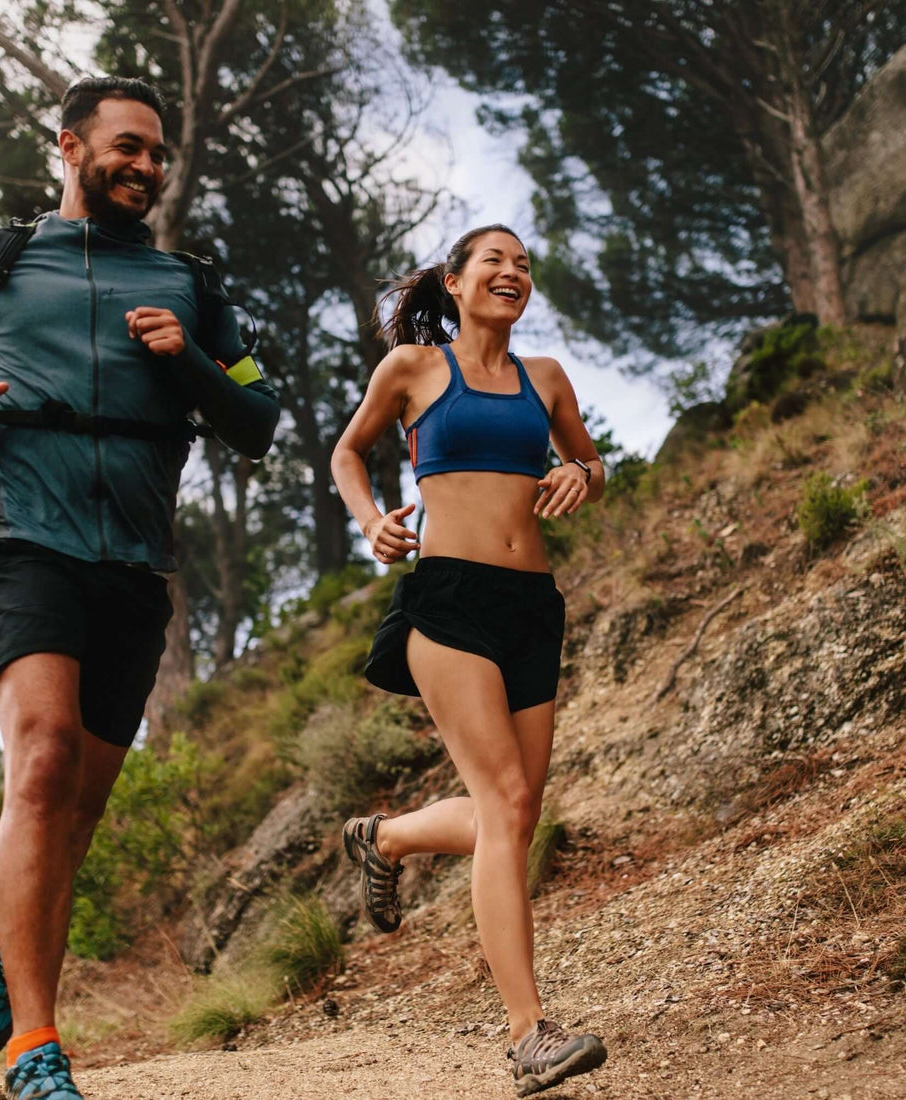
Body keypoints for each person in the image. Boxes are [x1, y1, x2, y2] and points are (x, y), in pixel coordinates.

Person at [0, 76, 279, 1100]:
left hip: (136, 557)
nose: (145, 165)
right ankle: (35, 1045)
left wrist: (187, 354)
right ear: (69, 146)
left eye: (156, 153)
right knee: (44, 760)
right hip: (21, 526)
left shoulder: (191, 281)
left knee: (80, 809)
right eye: (127, 147)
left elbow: (257, 412)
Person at [331, 225, 608, 1096]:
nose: (513, 273)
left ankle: (389, 837)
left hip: (533, 607)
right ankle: (529, 1034)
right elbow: (347, 452)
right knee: (508, 801)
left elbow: (590, 459)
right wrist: (372, 517)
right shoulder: (413, 370)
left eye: (524, 265)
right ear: (454, 281)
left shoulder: (547, 378)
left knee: (514, 818)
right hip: (447, 600)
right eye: (495, 260)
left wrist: (582, 476)